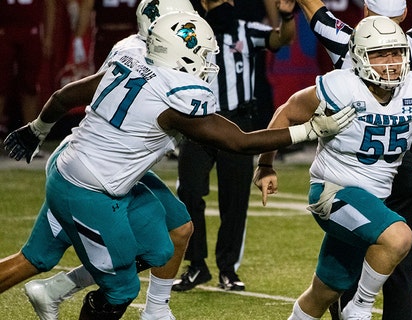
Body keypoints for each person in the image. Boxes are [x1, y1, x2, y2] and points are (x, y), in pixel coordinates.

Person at [3, 11, 354, 319]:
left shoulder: (130, 55)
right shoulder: (177, 97)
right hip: (89, 191)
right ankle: (61, 289)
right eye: (201, 55)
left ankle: (147, 309)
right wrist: (307, 130)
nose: (205, 62)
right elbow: (239, 142)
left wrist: (36, 131)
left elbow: (64, 96)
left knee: (170, 235)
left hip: (80, 163)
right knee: (121, 290)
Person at [253, 16, 412, 320]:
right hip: (332, 192)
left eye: (397, 52)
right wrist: (266, 164)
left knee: (324, 292)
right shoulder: (341, 86)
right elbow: (287, 112)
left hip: (371, 202)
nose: (390, 62)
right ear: (359, 56)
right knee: (399, 236)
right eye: (379, 53)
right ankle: (359, 308)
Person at [0, 2, 201, 320]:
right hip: (93, 178)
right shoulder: (151, 60)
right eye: (181, 24)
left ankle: (154, 310)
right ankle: (60, 289)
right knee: (42, 258)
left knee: (176, 230)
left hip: (101, 168)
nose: (188, 31)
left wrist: (38, 128)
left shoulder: (134, 50)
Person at [171, 0, 296, 292]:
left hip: (238, 124)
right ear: (203, 2)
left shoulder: (245, 29)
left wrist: (288, 15)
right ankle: (196, 265)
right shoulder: (187, 32)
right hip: (198, 122)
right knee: (188, 192)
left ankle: (227, 269)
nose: (227, 2)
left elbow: (281, 38)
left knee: (235, 199)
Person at [0, 0, 54, 137]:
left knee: (30, 86)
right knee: (1, 84)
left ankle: (30, 137)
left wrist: (48, 37)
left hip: (31, 31)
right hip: (4, 31)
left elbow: (49, 5)